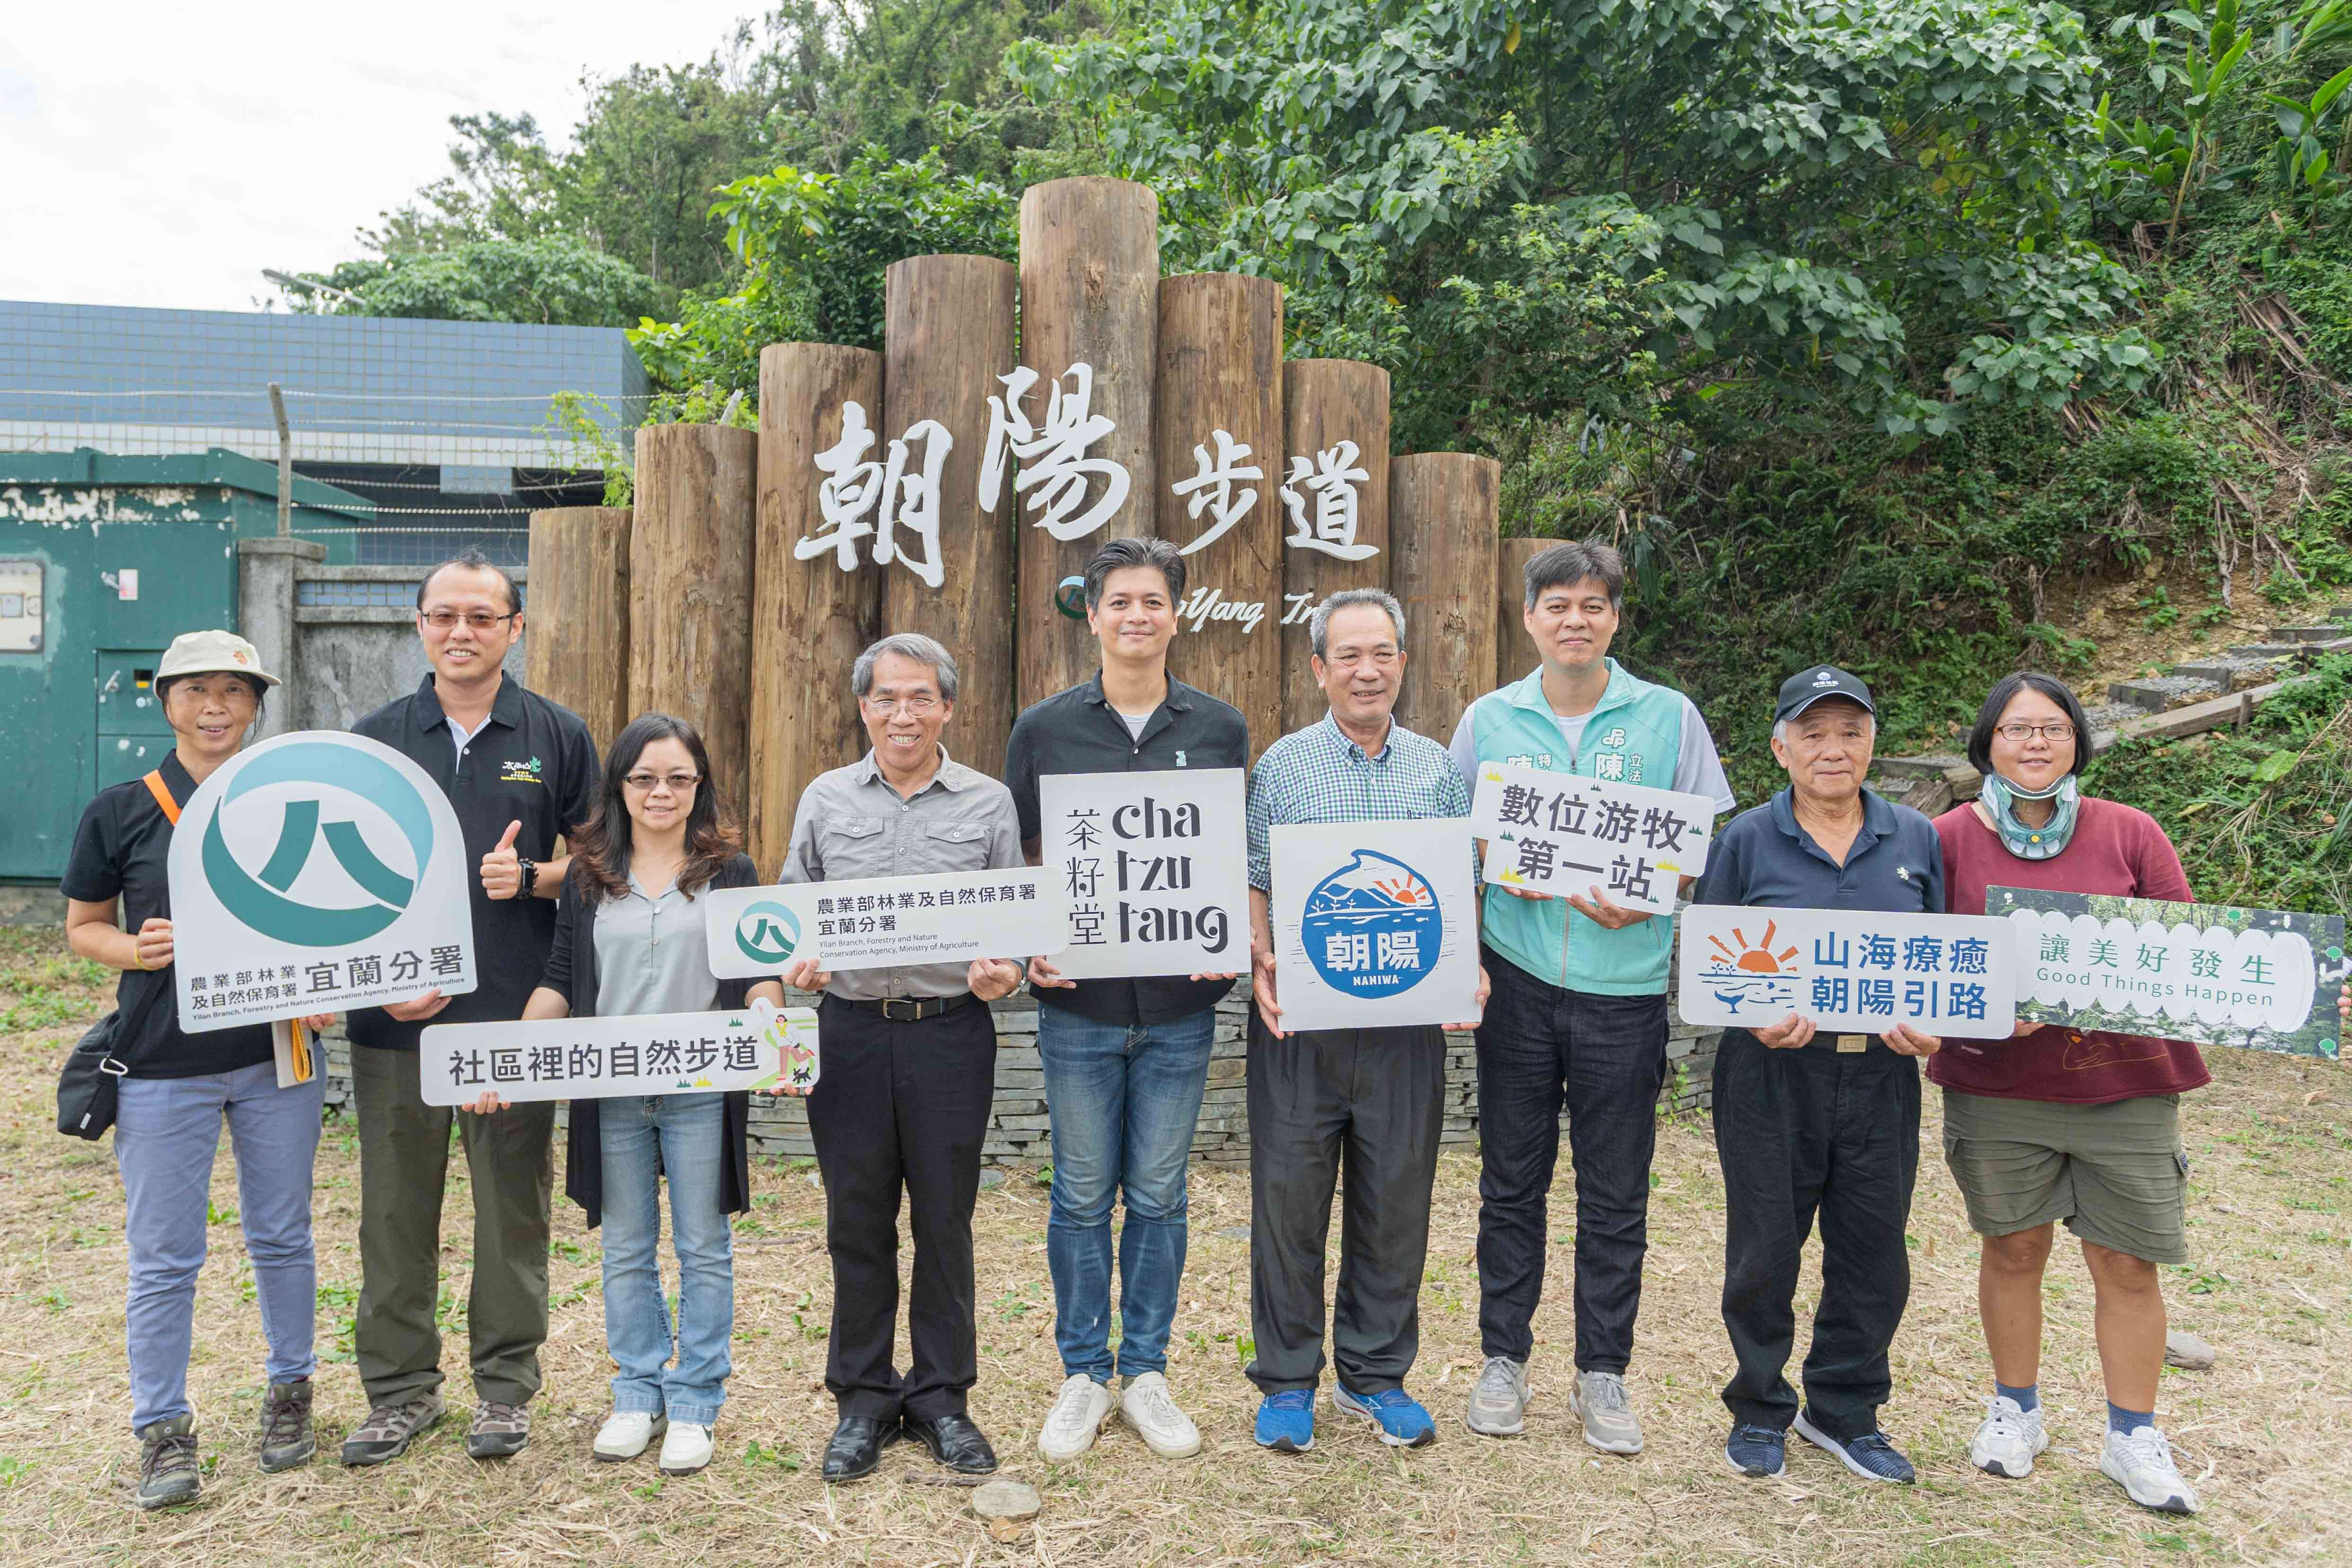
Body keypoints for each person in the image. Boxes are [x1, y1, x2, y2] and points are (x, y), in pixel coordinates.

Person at [1446, 540, 1734, 1453]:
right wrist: (1498, 867)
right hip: (1519, 978)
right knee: (1510, 1183)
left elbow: (1696, 845)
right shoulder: (1488, 719)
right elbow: (1456, 842)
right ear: (1527, 617)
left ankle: (1602, 1372)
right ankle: (1504, 1359)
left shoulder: (1667, 716)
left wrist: (1653, 893)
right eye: (1557, 603)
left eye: (1594, 603)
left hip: (1627, 985)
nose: (1576, 618)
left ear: (1615, 617)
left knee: (1615, 1190)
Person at [1929, 673, 2227, 1512]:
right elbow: (1918, 955)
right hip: (1998, 1086)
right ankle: (2013, 1410)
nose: (2035, 743)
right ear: (1986, 742)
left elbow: (2189, 954)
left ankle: (2132, 1434)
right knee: (2013, 1248)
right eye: (2017, 729)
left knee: (2126, 1260)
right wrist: (1985, 1011)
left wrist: (2308, 989)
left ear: (2077, 742)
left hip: (2126, 1085)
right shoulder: (1944, 838)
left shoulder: (2129, 831)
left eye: (2052, 729)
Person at [61, 630, 335, 1507]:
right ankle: (162, 1431)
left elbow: (336, 921)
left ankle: (291, 1394)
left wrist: (330, 983)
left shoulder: (292, 801)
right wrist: (136, 951)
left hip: (276, 1054)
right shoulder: (122, 809)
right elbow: (83, 926)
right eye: (196, 690)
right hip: (160, 1066)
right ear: (166, 701)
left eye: (235, 690)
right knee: (165, 1255)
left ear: (258, 705)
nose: (215, 706)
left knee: (283, 1234)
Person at [469, 713, 781, 1476]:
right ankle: (637, 1392)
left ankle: (697, 1400)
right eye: (644, 778)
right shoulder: (586, 875)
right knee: (625, 1247)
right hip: (609, 1091)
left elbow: (756, 973)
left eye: (678, 777)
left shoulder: (728, 870)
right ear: (619, 787)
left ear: (699, 784)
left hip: (700, 1087)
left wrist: (771, 1020)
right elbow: (562, 980)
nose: (661, 792)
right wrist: (510, 1056)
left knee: (704, 1246)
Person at [341, 549, 598, 1465]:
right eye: (444, 615)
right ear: (419, 626)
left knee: (511, 1213)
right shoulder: (372, 740)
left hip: (513, 1019)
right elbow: (335, 887)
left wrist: (534, 876)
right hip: (393, 1027)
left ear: (514, 629)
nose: (462, 632)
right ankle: (400, 1391)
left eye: (482, 618)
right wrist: (377, 983)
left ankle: (504, 1390)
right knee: (395, 1212)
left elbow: (606, 865)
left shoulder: (557, 734)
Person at [1004, 537, 1247, 1464]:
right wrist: (1033, 942)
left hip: (1183, 1008)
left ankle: (1143, 1370)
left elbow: (1224, 852)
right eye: (1120, 602)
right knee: (1077, 1193)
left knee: (1156, 1192)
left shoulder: (1218, 727)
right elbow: (1022, 855)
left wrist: (1226, 938)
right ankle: (1081, 1373)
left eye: (1154, 601)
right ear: (1094, 615)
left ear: (1176, 614)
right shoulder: (1045, 728)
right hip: (1079, 1008)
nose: (1137, 616)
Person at [1242, 589, 1487, 1454]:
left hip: (1406, 1026)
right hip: (1300, 1027)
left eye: (1381, 652)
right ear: (1318, 668)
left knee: (1395, 1200)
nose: (1366, 669)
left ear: (1403, 663)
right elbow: (1256, 878)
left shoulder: (1434, 770)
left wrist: (1470, 970)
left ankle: (1375, 1373)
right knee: (1287, 1203)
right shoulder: (1282, 765)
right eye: (1347, 654)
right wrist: (1262, 959)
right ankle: (1285, 1380)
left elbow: (1459, 893)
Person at [781, 635, 1030, 1483]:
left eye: (920, 697)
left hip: (950, 1031)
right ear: (863, 707)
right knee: (856, 1218)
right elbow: (790, 912)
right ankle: (861, 1397)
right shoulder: (823, 798)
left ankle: (940, 1399)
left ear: (948, 708)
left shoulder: (989, 803)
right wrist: (794, 961)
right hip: (847, 1029)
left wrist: (1009, 972)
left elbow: (1013, 927)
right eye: (886, 697)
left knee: (944, 1218)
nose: (903, 714)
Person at [1692, 666, 1945, 1485]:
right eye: (1812, 732)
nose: (1831, 749)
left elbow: (1941, 960)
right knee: (1764, 1248)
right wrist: (1748, 1011)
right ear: (1779, 745)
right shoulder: (1745, 839)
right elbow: (1708, 958)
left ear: (1873, 740)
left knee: (1874, 1250)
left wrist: (1929, 1029)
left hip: (1879, 1075)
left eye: (1849, 731)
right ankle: (1759, 1405)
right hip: (1770, 1072)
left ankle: (1843, 1410)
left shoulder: (1914, 837)